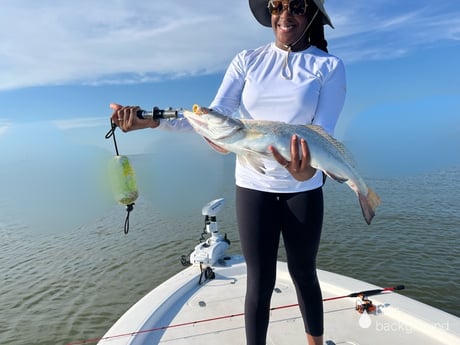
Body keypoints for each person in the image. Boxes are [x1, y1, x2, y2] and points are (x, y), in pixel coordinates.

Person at [111, 0, 346, 344]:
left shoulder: (329, 66)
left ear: (311, 13)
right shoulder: (247, 61)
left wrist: (305, 172)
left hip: (303, 188)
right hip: (253, 187)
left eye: (296, 6)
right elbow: (214, 116)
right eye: (277, 5)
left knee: (304, 274)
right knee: (259, 280)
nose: (285, 15)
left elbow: (321, 134)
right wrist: (152, 122)